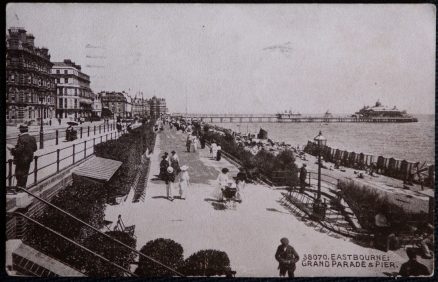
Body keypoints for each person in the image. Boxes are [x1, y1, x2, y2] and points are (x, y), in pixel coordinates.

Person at [8, 124, 37, 189]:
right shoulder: (32, 137)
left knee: (18, 174)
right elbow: (35, 148)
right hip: (28, 159)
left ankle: (19, 188)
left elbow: (18, 151)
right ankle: (23, 187)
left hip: (20, 160)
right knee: (25, 174)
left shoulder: (21, 138)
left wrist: (12, 149)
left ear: (21, 130)